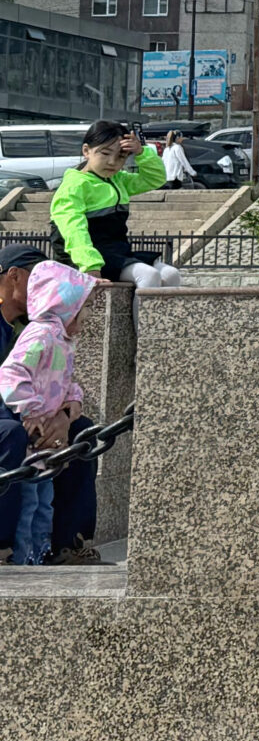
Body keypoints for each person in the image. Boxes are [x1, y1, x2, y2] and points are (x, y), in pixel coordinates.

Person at [0, 250, 101, 563]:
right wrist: (33, 414)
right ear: (14, 275)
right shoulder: (38, 333)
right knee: (11, 435)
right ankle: (5, 545)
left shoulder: (45, 332)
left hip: (30, 412)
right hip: (14, 416)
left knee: (84, 433)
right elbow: (11, 377)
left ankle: (66, 541)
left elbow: (60, 381)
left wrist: (64, 416)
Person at [50, 121, 181, 289]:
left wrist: (141, 152)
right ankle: (140, 316)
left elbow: (154, 178)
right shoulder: (73, 186)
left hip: (117, 252)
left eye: (120, 156)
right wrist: (90, 265)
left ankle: (162, 316)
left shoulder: (118, 180)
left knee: (171, 274)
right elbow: (73, 229)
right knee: (149, 275)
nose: (112, 162)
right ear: (86, 151)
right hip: (86, 256)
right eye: (105, 153)